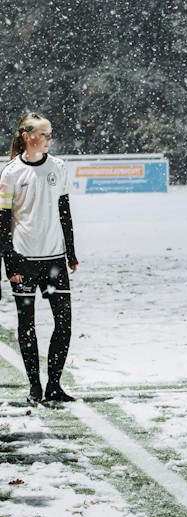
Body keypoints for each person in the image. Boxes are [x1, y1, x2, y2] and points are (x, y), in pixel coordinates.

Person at [0, 112, 79, 404]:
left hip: (54, 260)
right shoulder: (10, 173)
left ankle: (54, 385)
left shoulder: (58, 167)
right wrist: (10, 262)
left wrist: (71, 251)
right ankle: (35, 385)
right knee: (27, 324)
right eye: (43, 134)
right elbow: (2, 221)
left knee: (64, 323)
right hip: (24, 261)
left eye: (50, 134)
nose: (48, 139)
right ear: (27, 137)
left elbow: (64, 211)